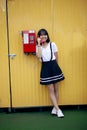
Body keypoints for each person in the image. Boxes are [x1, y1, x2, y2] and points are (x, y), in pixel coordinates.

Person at [36, 28, 65, 118]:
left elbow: (56, 56)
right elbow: (39, 56)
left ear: (47, 36)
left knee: (56, 89)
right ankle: (58, 110)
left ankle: (54, 108)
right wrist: (39, 44)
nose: (43, 36)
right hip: (45, 68)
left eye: (45, 34)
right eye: (41, 35)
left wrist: (56, 68)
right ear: (39, 37)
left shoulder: (53, 44)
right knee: (51, 90)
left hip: (54, 66)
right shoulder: (38, 47)